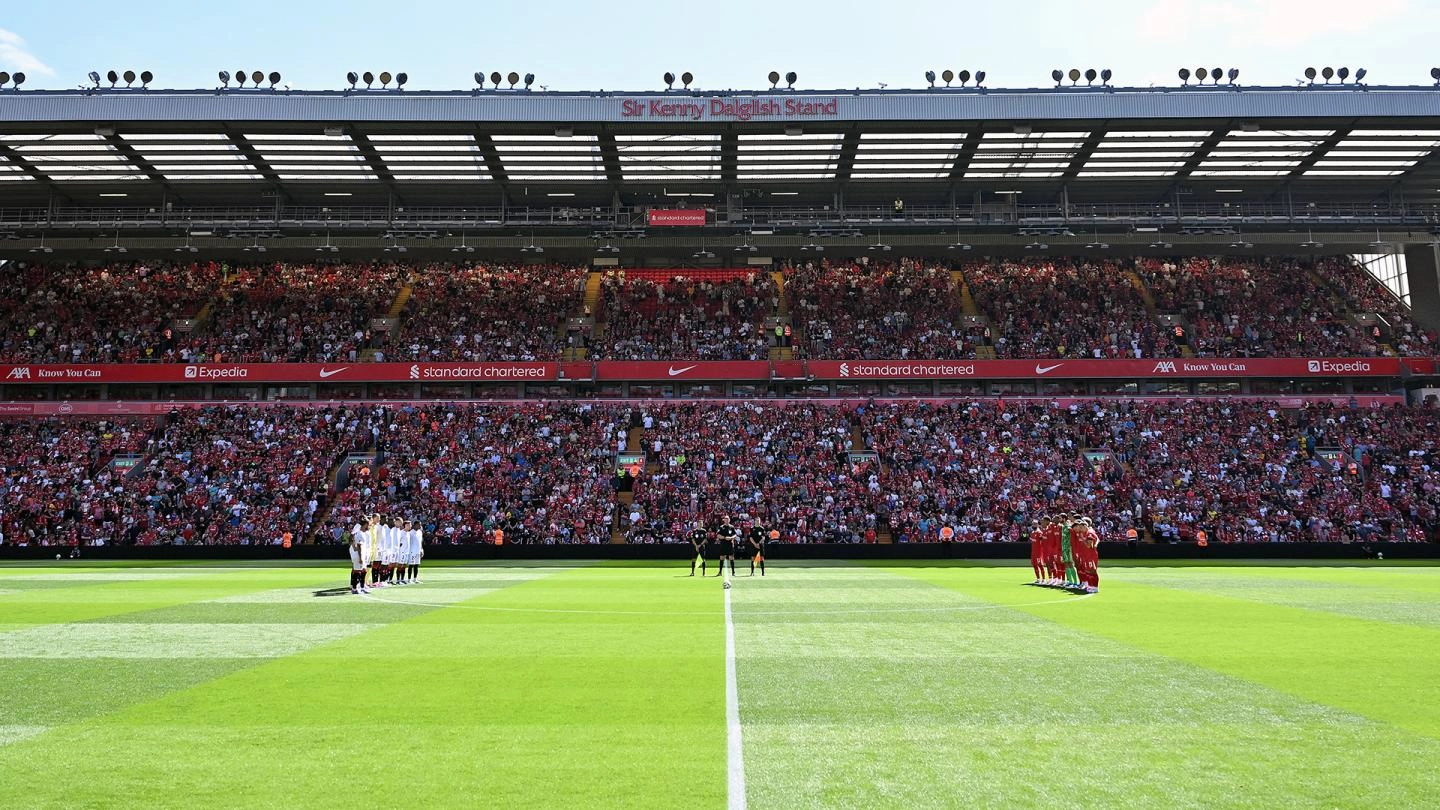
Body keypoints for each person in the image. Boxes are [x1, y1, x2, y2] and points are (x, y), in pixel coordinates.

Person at [349, 519, 369, 594]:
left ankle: (362, 587)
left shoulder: (363, 533)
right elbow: (359, 546)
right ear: (365, 525)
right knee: (357, 572)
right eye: (368, 525)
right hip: (358, 555)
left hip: (361, 554)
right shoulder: (360, 534)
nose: (369, 526)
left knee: (364, 571)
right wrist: (360, 558)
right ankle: (354, 588)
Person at [406, 519, 424, 584]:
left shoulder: (420, 532)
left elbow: (420, 541)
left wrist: (421, 549)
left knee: (416, 565)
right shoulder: (411, 533)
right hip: (412, 551)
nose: (420, 526)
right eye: (419, 525)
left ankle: (415, 578)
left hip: (418, 551)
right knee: (411, 565)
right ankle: (409, 579)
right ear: (415, 525)